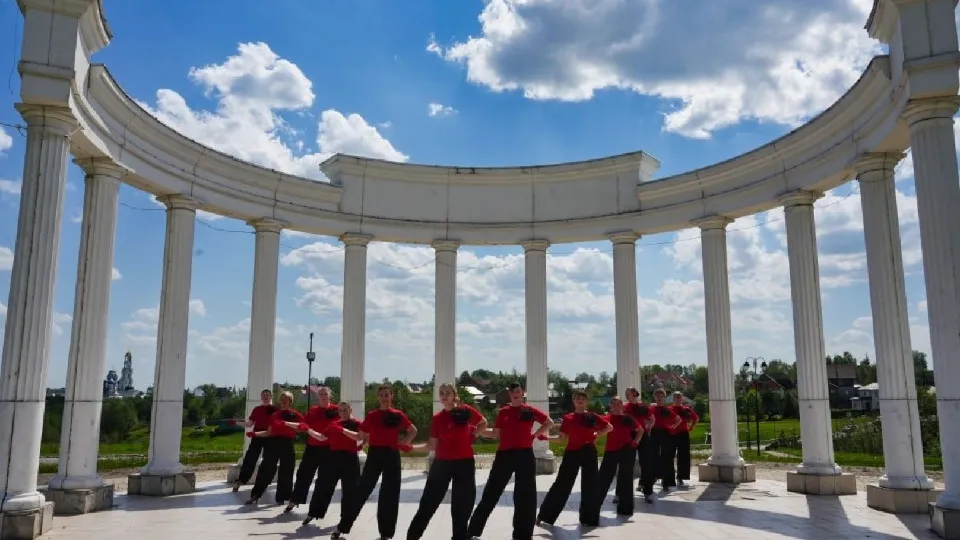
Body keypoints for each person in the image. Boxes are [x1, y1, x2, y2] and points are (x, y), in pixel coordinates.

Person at [469, 382, 553, 540]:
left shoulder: (529, 410)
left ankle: (523, 535)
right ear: (509, 394)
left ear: (522, 393)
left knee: (525, 497)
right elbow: (495, 434)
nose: (515, 393)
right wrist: (476, 431)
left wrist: (534, 435)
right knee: (491, 493)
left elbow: (549, 422)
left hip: (525, 456)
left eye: (518, 390)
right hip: (504, 456)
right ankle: (472, 531)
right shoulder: (504, 412)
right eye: (512, 391)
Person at [332, 385, 417, 540]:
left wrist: (403, 443)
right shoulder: (372, 415)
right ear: (378, 398)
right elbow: (359, 437)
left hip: (392, 455)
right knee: (362, 490)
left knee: (390, 494)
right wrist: (342, 430)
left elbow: (413, 430)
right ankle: (342, 527)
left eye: (387, 395)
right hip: (375, 454)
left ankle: (386, 534)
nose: (384, 397)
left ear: (392, 397)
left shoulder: (398, 414)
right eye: (382, 395)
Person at [406, 383, 487, 540]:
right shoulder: (438, 418)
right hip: (442, 465)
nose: (444, 395)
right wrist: (411, 447)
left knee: (462, 506)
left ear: (455, 395)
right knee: (428, 503)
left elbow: (483, 422)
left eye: (448, 392)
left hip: (464, 464)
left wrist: (473, 435)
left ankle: (460, 537)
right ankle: (412, 537)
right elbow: (432, 445)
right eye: (441, 393)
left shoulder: (465, 411)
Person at [537, 390, 612, 528]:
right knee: (562, 484)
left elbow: (609, 427)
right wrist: (546, 437)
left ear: (586, 401)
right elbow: (561, 439)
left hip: (589, 451)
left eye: (583, 398)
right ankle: (544, 515)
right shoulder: (568, 418)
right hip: (572, 453)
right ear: (574, 401)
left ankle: (589, 520)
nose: (580, 400)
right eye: (578, 398)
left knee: (591, 486)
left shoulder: (592, 416)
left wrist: (596, 435)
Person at [301, 401, 365, 526]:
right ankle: (313, 513)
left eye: (345, 410)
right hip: (333, 457)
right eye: (340, 410)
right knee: (323, 485)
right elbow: (321, 437)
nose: (342, 412)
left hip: (350, 459)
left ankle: (346, 519)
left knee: (350, 490)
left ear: (350, 410)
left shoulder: (357, 423)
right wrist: (308, 430)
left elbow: (360, 436)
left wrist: (360, 444)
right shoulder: (333, 424)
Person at [244, 391, 304, 505]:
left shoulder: (296, 415)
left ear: (290, 401)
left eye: (285, 398)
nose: (283, 401)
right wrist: (256, 434)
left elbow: (301, 429)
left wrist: (291, 425)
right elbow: (269, 432)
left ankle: (283, 497)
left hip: (287, 443)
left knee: (287, 469)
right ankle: (256, 494)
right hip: (273, 442)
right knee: (266, 468)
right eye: (281, 398)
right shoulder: (275, 414)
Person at [285, 386, 339, 513]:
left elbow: (346, 420)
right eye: (320, 394)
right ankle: (295, 499)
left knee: (324, 479)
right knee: (303, 474)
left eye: (325, 394)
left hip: (329, 449)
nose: (323, 396)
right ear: (317, 397)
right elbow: (303, 425)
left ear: (330, 395)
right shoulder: (313, 410)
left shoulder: (336, 409)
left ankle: (316, 509)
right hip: (312, 448)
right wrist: (287, 424)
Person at [597, 396, 642, 515]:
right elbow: (596, 430)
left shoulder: (627, 418)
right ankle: (594, 507)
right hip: (611, 451)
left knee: (626, 479)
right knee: (603, 478)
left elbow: (640, 430)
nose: (616, 406)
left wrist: (635, 442)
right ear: (610, 406)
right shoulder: (606, 418)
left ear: (622, 405)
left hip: (626, 450)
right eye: (614, 404)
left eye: (618, 404)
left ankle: (625, 509)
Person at [233, 389, 276, 492]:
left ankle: (263, 483)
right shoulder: (257, 409)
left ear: (271, 397)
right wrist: (236, 423)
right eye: (263, 395)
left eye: (267, 395)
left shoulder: (275, 409)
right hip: (256, 434)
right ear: (261, 397)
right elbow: (249, 424)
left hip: (269, 435)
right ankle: (240, 480)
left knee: (268, 460)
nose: (265, 397)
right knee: (250, 458)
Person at [623, 387, 655, 502]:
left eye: (629, 393)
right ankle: (620, 493)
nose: (627, 395)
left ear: (635, 394)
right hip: (629, 435)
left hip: (643, 435)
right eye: (626, 394)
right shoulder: (624, 407)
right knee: (626, 464)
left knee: (646, 464)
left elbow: (652, 418)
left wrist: (648, 428)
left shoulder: (643, 407)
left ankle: (648, 492)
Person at [650, 388, 682, 492]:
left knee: (666, 457)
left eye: (662, 396)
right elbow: (645, 419)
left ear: (664, 398)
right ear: (654, 397)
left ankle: (666, 481)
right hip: (654, 433)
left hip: (665, 434)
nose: (660, 398)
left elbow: (679, 420)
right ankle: (653, 477)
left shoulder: (667, 410)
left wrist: (672, 427)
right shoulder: (651, 409)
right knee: (653, 456)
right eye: (658, 396)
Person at [670, 391, 699, 487]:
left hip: (683, 433)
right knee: (669, 455)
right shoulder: (670, 409)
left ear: (682, 399)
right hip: (672, 434)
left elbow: (696, 418)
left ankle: (681, 477)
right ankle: (668, 476)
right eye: (676, 397)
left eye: (679, 397)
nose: (678, 399)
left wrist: (692, 428)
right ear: (673, 399)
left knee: (684, 456)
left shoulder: (686, 409)